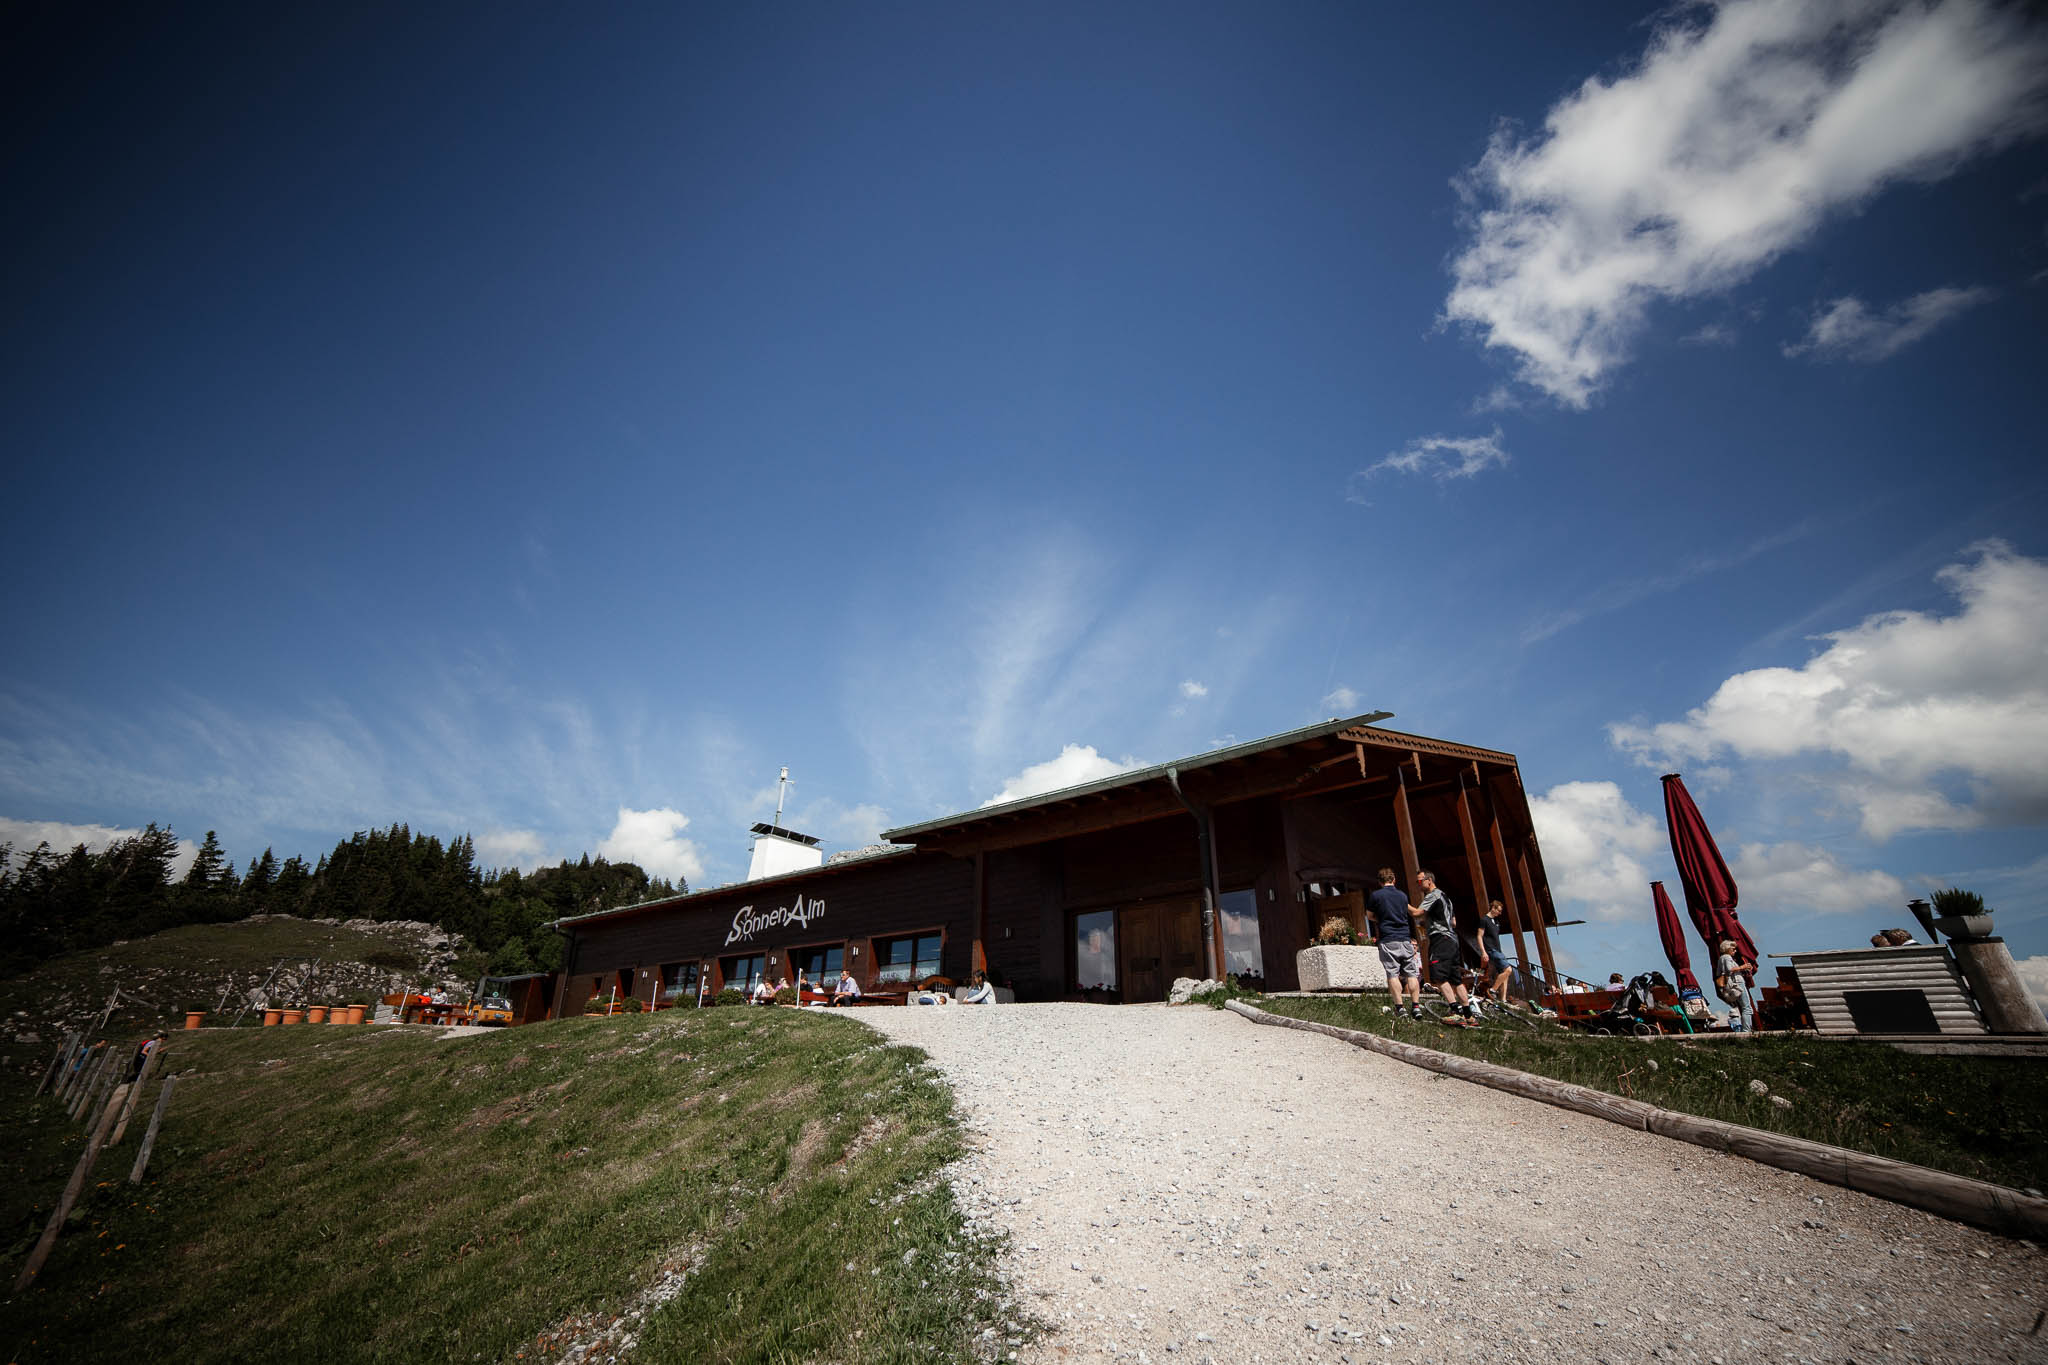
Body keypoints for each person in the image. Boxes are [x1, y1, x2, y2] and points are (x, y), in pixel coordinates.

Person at [1418, 870, 1479, 1025]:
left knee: (1438, 975)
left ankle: (1454, 1011)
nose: (1419, 884)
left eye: (1420, 881)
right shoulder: (1447, 898)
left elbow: (1417, 912)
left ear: (1429, 880)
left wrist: (1400, 902)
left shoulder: (1432, 895)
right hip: (1452, 939)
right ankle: (1468, 1015)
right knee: (1456, 979)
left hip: (1440, 939)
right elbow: (1454, 923)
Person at [1366, 867, 1422, 1018]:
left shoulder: (1376, 896)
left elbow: (1370, 916)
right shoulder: (1402, 896)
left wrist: (1381, 919)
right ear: (1394, 880)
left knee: (1392, 974)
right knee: (1411, 974)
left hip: (1388, 939)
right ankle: (1416, 1007)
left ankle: (1400, 1008)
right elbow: (1412, 912)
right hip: (1405, 938)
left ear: (1379, 882)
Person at [1715, 938, 1756, 1032]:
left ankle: (1745, 1029)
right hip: (1737, 983)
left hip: (1732, 984)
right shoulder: (1727, 957)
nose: (1735, 951)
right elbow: (1729, 969)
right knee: (1747, 1008)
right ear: (1727, 949)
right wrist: (1743, 967)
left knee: (1744, 1007)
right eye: (1733, 949)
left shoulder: (1721, 959)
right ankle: (1746, 1030)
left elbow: (1719, 972)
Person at [1480, 902, 1512, 1004]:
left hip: (1498, 950)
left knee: (1504, 974)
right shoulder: (1484, 920)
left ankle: (1503, 999)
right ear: (1493, 908)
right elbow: (1479, 936)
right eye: (1498, 910)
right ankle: (1493, 989)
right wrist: (1483, 952)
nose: (1499, 913)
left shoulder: (1496, 922)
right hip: (1491, 949)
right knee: (1508, 969)